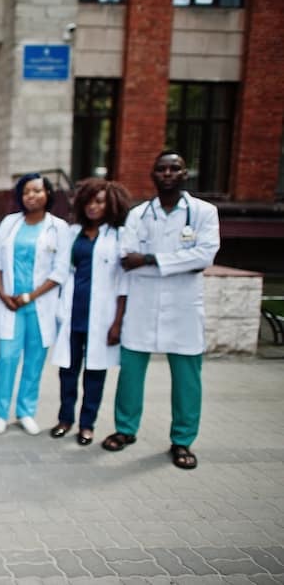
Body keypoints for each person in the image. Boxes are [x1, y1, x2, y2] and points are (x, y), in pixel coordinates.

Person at [103, 150, 220, 470]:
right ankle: (126, 429)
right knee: (130, 373)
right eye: (162, 169)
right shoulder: (139, 214)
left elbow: (204, 258)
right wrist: (176, 263)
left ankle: (182, 440)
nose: (168, 174)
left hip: (183, 309)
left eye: (175, 169)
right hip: (142, 306)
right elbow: (127, 259)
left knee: (187, 378)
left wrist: (151, 260)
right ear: (153, 175)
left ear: (185, 174)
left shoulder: (203, 213)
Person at [49, 178, 130, 446]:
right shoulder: (73, 234)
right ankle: (65, 419)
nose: (93, 207)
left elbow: (123, 283)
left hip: (102, 318)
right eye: (89, 201)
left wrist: (117, 323)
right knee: (68, 372)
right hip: (73, 314)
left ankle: (87, 425)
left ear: (110, 205)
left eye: (100, 201)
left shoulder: (118, 236)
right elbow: (63, 271)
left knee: (95, 373)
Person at [0, 173, 70, 436]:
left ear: (48, 194)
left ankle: (26, 412)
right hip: (10, 305)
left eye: (37, 191)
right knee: (6, 359)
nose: (31, 196)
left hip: (40, 306)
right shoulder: (10, 223)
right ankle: (1, 413)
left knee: (34, 361)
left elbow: (59, 272)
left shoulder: (58, 227)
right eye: (26, 192)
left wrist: (29, 297)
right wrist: (2, 294)